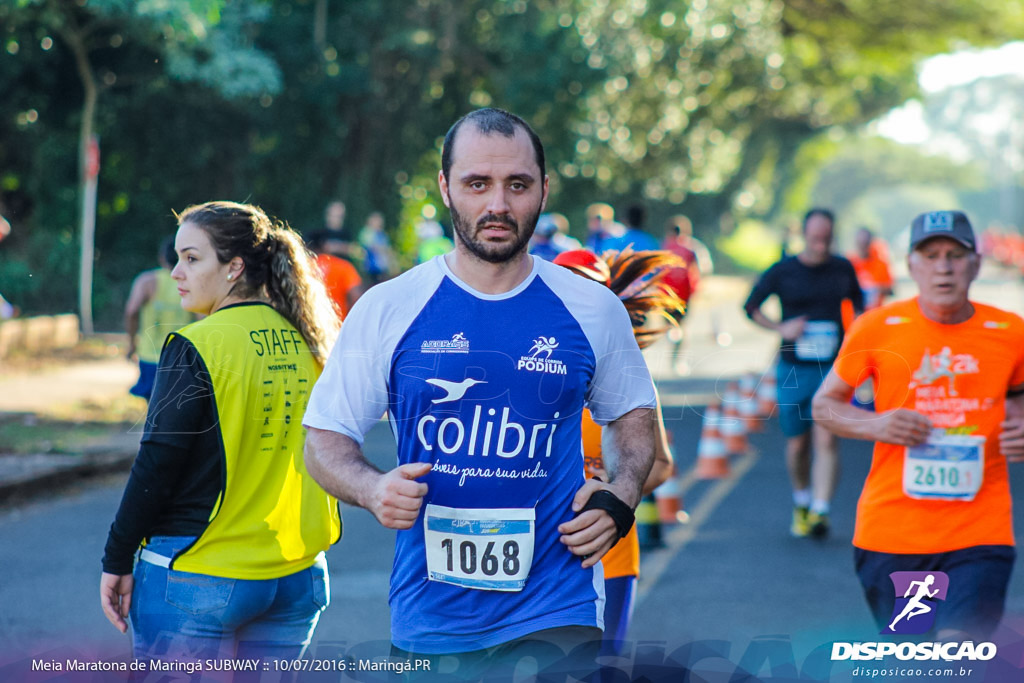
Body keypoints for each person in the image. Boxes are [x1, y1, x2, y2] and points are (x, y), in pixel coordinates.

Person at [303, 108, 657, 678]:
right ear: (445, 188)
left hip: (557, 605)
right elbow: (323, 438)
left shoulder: (592, 308)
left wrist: (621, 494)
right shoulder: (390, 308)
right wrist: (371, 488)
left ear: (544, 188)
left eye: (517, 184)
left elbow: (634, 417)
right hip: (430, 616)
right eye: (477, 184)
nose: (498, 205)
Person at [100, 201, 342, 665]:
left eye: (192, 258)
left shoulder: (199, 343)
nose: (175, 272)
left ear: (234, 268)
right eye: (176, 258)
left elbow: (157, 463)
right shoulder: (312, 342)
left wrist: (116, 559)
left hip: (203, 571)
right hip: (297, 577)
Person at [812, 210, 1024, 639]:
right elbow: (824, 406)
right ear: (910, 265)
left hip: (979, 532)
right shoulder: (877, 328)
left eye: (954, 255)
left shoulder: (1009, 331)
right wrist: (876, 424)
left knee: (957, 651)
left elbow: (1019, 402)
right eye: (930, 255)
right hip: (894, 534)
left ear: (976, 264)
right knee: (917, 660)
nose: (943, 267)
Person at [553, 247, 684, 658]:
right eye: (565, 288)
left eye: (588, 289)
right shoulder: (523, 372)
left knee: (598, 669)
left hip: (610, 554)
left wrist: (611, 489)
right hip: (538, 553)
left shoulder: (628, 378)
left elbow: (661, 464)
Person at [743, 208, 863, 539]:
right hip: (793, 368)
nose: (821, 246)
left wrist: (856, 341)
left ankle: (821, 511)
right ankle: (802, 501)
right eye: (815, 239)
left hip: (831, 368)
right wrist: (782, 327)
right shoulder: (783, 271)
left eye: (826, 239)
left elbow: (860, 306)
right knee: (798, 445)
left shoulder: (842, 268)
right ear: (804, 236)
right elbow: (750, 307)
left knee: (827, 437)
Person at [124, 237, 194, 400]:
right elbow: (202, 318)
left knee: (153, 408)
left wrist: (132, 343)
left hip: (151, 356)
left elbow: (131, 311)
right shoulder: (190, 282)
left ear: (161, 257)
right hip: (180, 359)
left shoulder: (147, 281)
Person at [309, 232, 364, 320]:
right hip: (336, 325)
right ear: (325, 245)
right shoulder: (343, 266)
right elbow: (356, 297)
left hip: (309, 324)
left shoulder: (303, 266)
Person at [847, 227, 894, 311]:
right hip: (853, 315)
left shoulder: (881, 264)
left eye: (865, 243)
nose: (863, 247)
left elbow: (890, 290)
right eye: (860, 243)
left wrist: (876, 288)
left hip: (874, 312)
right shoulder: (849, 263)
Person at [358, 211, 396, 284]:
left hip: (382, 267)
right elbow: (370, 247)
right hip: (371, 267)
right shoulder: (367, 233)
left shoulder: (382, 234)